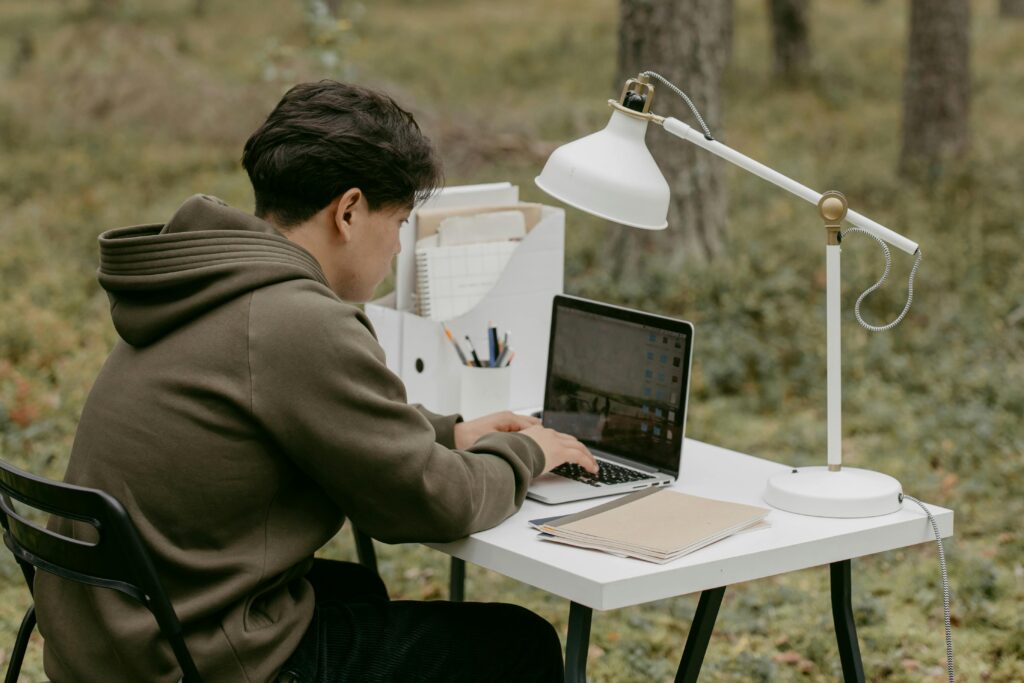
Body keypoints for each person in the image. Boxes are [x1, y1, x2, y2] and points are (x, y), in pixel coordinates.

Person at [33, 80, 598, 683]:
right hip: (188, 662)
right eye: (401, 221)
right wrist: (525, 451)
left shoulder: (203, 284)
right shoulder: (295, 320)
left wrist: (448, 434)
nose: (400, 245)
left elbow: (309, 415)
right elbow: (432, 503)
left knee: (353, 589)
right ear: (349, 211)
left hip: (112, 638)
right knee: (519, 644)